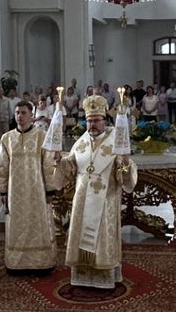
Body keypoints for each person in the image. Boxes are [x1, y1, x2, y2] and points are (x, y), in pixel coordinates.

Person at [54, 93, 138, 290]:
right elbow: (71, 166)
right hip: (82, 200)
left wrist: (125, 163)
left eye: (96, 120)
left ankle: (104, 276)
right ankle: (82, 276)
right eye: (89, 120)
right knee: (80, 235)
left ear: (104, 120)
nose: (92, 124)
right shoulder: (81, 142)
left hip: (105, 200)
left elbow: (125, 176)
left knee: (102, 237)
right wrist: (60, 161)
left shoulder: (116, 142)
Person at [0, 98, 59, 272]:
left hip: (37, 190)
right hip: (15, 193)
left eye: (23, 113)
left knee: (38, 224)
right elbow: (1, 166)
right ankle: (17, 263)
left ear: (31, 115)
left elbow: (48, 164)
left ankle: (41, 262)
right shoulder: (7, 138)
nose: (19, 116)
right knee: (17, 225)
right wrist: (3, 192)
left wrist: (50, 189)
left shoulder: (41, 136)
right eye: (17, 113)